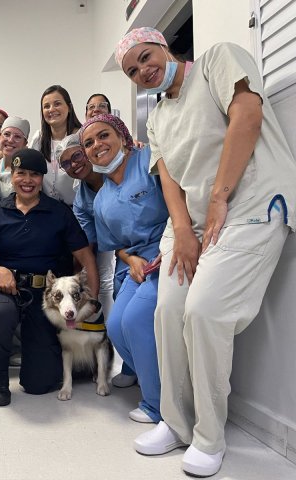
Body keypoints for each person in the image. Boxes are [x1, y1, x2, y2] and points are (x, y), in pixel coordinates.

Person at [116, 27, 296, 477]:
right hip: (195, 223)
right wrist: (182, 229)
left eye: (145, 57)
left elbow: (247, 117)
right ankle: (176, 423)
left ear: (163, 46)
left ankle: (209, 438)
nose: (143, 70)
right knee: (167, 310)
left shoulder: (217, 60)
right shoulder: (157, 117)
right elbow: (168, 178)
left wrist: (218, 196)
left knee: (203, 312)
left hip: (250, 205)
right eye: (133, 71)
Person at [0, 148, 100, 406]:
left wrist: (91, 302)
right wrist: (0, 271)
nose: (27, 180)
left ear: (42, 178)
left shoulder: (59, 213)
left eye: (34, 174)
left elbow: (86, 258)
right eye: (21, 173)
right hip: (8, 291)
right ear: (12, 175)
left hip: (47, 297)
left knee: (39, 385)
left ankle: (52, 365)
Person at [80, 114, 168, 425]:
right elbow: (114, 244)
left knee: (135, 319)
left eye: (104, 135)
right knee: (116, 326)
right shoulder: (101, 199)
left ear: (122, 136)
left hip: (169, 251)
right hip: (138, 262)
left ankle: (158, 406)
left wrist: (167, 247)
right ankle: (153, 379)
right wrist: (131, 261)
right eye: (89, 143)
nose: (97, 145)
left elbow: (179, 202)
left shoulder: (148, 160)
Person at [56, 132, 137, 389]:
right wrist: (80, 290)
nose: (74, 164)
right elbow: (87, 247)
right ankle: (132, 367)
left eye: (77, 156)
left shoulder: (120, 170)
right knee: (121, 310)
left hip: (153, 243)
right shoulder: (82, 200)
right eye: (66, 163)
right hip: (123, 252)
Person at [29, 85, 82, 206]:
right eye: (46, 106)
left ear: (69, 107)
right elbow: (29, 164)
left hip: (79, 209)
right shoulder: (39, 138)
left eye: (57, 104)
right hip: (48, 209)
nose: (51, 109)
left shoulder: (82, 136)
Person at [0, 116, 30, 198]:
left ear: (25, 143)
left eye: (17, 137)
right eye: (6, 134)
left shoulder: (29, 172)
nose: (10, 140)